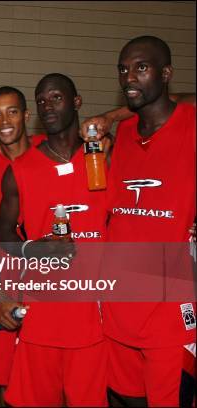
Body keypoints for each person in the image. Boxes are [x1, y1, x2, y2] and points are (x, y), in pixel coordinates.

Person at [0, 74, 108, 406]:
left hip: (94, 319)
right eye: (41, 100)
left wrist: (111, 120)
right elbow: (3, 235)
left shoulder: (104, 158)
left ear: (76, 102)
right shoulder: (19, 169)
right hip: (42, 316)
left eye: (56, 98)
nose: (48, 106)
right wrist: (33, 249)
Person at [98, 35, 196, 407]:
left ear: (167, 73)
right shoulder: (121, 136)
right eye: (123, 69)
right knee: (122, 398)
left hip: (170, 303)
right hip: (119, 299)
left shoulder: (191, 123)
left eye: (141, 67)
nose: (129, 78)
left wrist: (110, 113)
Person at [0, 86, 45, 390]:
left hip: (48, 281)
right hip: (5, 280)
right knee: (5, 380)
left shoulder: (50, 149)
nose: (4, 121)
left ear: (26, 115)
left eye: (12, 112)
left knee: (44, 376)